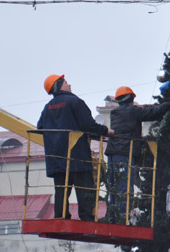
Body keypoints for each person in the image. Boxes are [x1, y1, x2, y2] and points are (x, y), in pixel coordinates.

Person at [37, 74, 113, 221]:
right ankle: (87, 218)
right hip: (77, 154)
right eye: (66, 82)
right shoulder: (74, 101)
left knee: (61, 189)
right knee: (85, 188)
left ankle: (61, 216)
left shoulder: (48, 107)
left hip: (56, 157)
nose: (69, 84)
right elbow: (88, 125)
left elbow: (40, 127)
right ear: (59, 85)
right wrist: (107, 132)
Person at [104, 86, 169, 223]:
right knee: (125, 185)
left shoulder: (115, 113)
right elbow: (152, 113)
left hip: (112, 153)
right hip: (125, 152)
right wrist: (167, 105)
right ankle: (122, 215)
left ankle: (113, 215)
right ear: (130, 98)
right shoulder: (132, 111)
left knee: (113, 184)